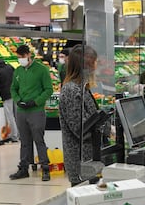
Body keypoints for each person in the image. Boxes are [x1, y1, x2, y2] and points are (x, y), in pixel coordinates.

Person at [10, 45, 53, 181]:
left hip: (36, 111)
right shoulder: (17, 71)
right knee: (24, 141)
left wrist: (36, 102)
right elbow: (13, 89)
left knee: (38, 139)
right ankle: (23, 168)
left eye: (22, 57)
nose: (20, 60)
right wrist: (17, 100)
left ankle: (45, 168)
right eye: (18, 57)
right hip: (21, 111)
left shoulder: (41, 70)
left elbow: (48, 89)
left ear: (29, 54)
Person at [59, 44, 99, 186]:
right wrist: (102, 131)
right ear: (86, 65)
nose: (96, 66)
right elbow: (79, 128)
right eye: (94, 62)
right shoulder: (71, 90)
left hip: (89, 160)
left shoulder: (82, 87)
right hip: (80, 161)